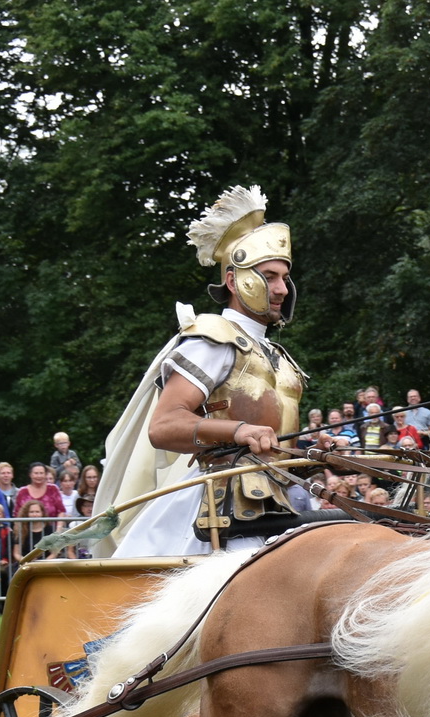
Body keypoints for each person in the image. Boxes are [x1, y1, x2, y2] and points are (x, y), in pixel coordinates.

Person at [97, 186, 302, 557]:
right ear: (233, 280)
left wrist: (317, 453)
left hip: (277, 499)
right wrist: (239, 431)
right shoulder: (214, 339)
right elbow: (164, 427)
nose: (282, 289)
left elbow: (278, 449)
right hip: (219, 505)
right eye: (270, 276)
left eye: (285, 278)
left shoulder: (277, 356)